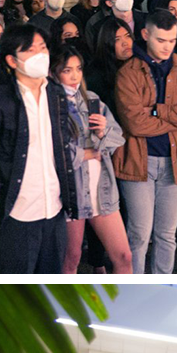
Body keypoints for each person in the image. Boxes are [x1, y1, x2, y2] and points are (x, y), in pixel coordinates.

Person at [0, 25, 76, 271]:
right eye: (30, 50)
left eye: (42, 47)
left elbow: (60, 148)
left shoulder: (56, 95)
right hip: (14, 215)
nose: (41, 55)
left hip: (54, 209)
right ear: (11, 60)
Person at [113, 8, 177, 273]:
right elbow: (134, 123)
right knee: (139, 235)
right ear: (145, 35)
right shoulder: (128, 72)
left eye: (172, 41)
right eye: (160, 40)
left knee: (167, 234)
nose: (167, 47)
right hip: (138, 163)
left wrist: (157, 109)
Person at [50, 41, 133, 273]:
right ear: (53, 72)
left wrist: (103, 130)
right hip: (71, 192)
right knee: (71, 259)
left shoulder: (91, 98)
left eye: (78, 68)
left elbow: (117, 138)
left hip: (102, 188)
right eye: (67, 70)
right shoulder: (49, 105)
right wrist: (84, 153)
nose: (75, 75)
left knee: (124, 256)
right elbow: (52, 150)